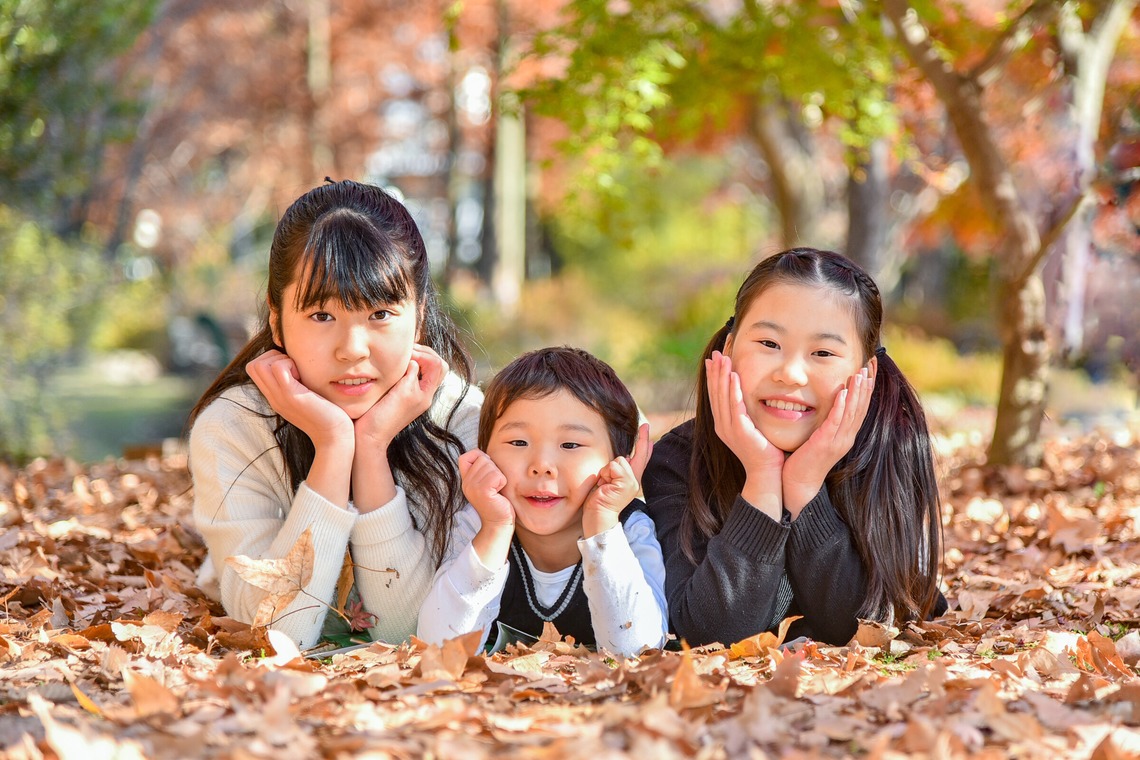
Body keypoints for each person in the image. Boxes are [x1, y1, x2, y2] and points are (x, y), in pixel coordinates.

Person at [188, 179, 482, 650]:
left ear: (420, 316)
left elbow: (405, 631)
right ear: (276, 319)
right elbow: (279, 633)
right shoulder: (233, 427)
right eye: (322, 316)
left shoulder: (460, 419)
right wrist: (333, 446)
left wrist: (371, 449)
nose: (353, 350)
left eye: (381, 314)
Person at [643, 247, 947, 647]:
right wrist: (762, 480)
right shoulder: (679, 460)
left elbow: (870, 628)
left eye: (822, 353)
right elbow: (709, 636)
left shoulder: (889, 451)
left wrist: (805, 487)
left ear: (865, 372)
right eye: (769, 343)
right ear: (730, 348)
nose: (790, 373)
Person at [417, 347, 669, 656]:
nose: (541, 464)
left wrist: (601, 525)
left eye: (571, 444)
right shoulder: (478, 522)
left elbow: (637, 653)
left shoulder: (629, 529)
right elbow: (438, 648)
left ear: (619, 461)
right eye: (518, 442)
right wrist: (495, 530)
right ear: (484, 452)